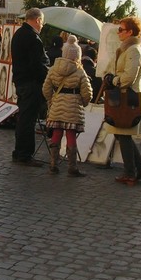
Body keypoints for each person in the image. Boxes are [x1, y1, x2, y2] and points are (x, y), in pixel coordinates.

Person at [105, 16, 141, 186]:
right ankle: (140, 168)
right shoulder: (127, 49)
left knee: (123, 134)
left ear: (130, 32)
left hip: (128, 98)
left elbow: (129, 76)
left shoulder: (133, 50)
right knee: (122, 133)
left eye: (121, 30)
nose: (118, 33)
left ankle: (131, 172)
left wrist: (114, 80)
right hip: (123, 97)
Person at [42, 35, 92, 177]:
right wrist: (83, 103)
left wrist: (51, 100)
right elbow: (87, 93)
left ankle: (53, 164)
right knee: (71, 135)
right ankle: (72, 167)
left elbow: (46, 88)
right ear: (78, 55)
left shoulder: (53, 69)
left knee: (56, 133)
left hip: (57, 105)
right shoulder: (80, 71)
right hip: (73, 107)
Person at [10, 8, 49, 165]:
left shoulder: (19, 34)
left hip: (21, 81)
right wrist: (46, 78)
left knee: (23, 118)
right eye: (42, 23)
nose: (42, 26)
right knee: (28, 119)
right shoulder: (32, 37)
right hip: (31, 83)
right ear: (38, 20)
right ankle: (25, 154)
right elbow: (37, 64)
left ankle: (19, 151)